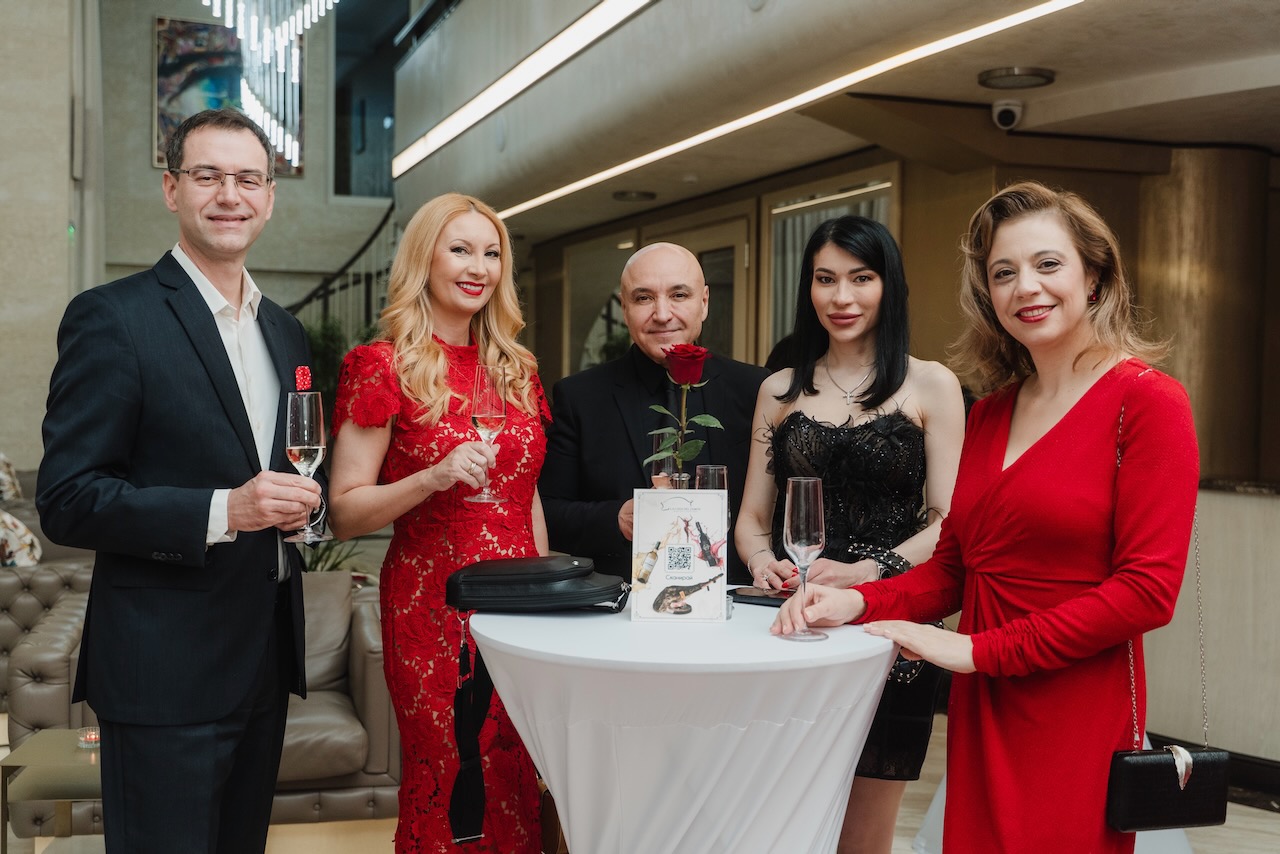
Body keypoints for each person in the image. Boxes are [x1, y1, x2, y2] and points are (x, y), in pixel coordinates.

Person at [774, 182, 1199, 854]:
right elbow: (953, 568)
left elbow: (1148, 591)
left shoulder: (1148, 403)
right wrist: (856, 602)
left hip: (1074, 705)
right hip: (985, 700)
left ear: (1094, 276)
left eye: (1048, 264)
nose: (1026, 287)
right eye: (1004, 273)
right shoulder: (993, 412)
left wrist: (976, 651)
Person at [36, 107, 322, 854]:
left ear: (270, 198)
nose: (230, 195)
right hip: (163, 669)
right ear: (172, 189)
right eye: (208, 176)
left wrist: (304, 511)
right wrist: (227, 509)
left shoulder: (286, 331)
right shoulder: (113, 318)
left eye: (249, 179)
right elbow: (66, 499)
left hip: (264, 660)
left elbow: (296, 470)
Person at [736, 216, 965, 854]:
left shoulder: (931, 384)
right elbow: (752, 518)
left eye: (861, 279)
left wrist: (873, 569)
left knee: (865, 832)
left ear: (888, 286)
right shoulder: (779, 389)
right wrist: (761, 562)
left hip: (890, 624)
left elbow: (948, 520)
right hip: (793, 620)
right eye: (825, 279)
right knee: (779, 819)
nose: (842, 297)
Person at [327, 193, 547, 852]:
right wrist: (432, 477)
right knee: (454, 778)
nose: (478, 267)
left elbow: (526, 496)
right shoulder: (381, 365)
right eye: (460, 249)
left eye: (491, 253)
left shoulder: (517, 369)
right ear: (424, 259)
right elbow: (344, 511)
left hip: (522, 613)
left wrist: (552, 595)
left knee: (517, 778)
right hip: (433, 612)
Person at [540, 242, 769, 585]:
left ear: (704, 302)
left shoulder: (756, 390)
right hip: (619, 604)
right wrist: (616, 518)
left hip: (735, 600)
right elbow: (546, 512)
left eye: (679, 295)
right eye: (644, 298)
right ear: (624, 308)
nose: (662, 314)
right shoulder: (580, 397)